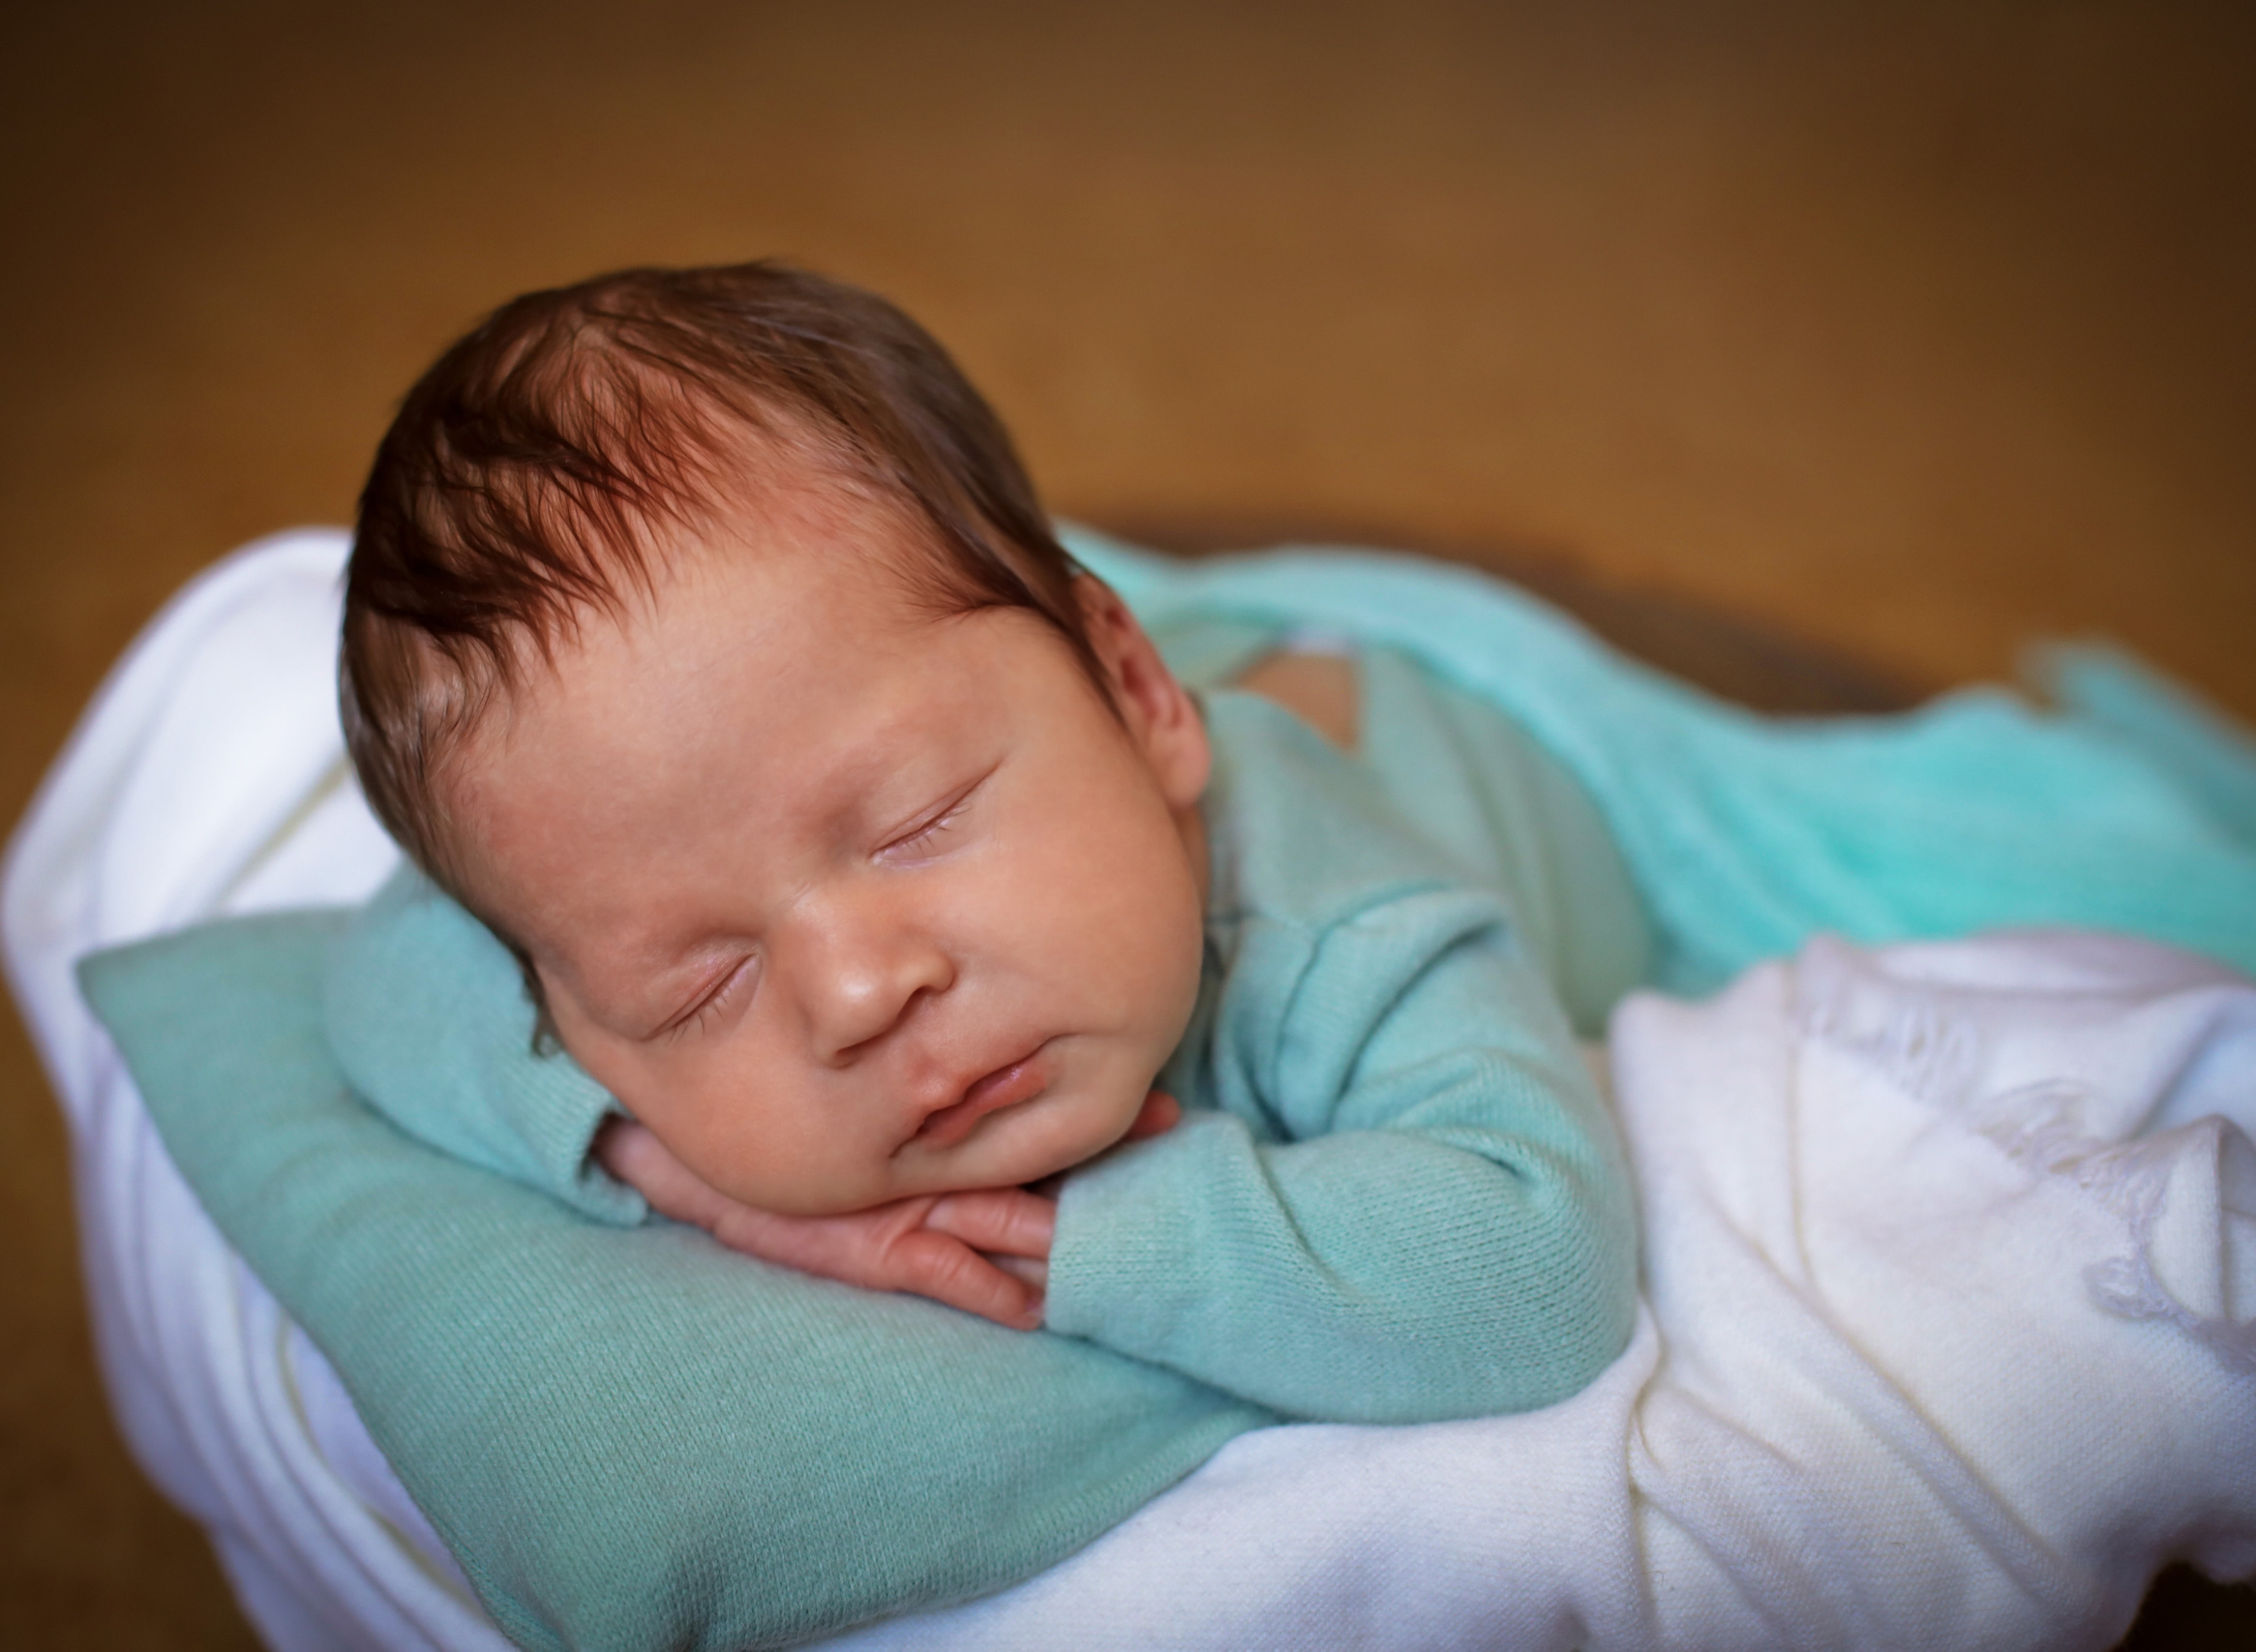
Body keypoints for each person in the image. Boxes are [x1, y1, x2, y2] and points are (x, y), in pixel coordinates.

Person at [330, 261, 1650, 1423]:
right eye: (700, 984)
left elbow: (1544, 1267)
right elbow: (376, 979)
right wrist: (658, 1159)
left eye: (917, 823)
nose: (856, 993)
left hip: (1476, 756)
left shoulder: (1344, 928)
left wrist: (1093, 1236)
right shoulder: (629, 912)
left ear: (1136, 699)